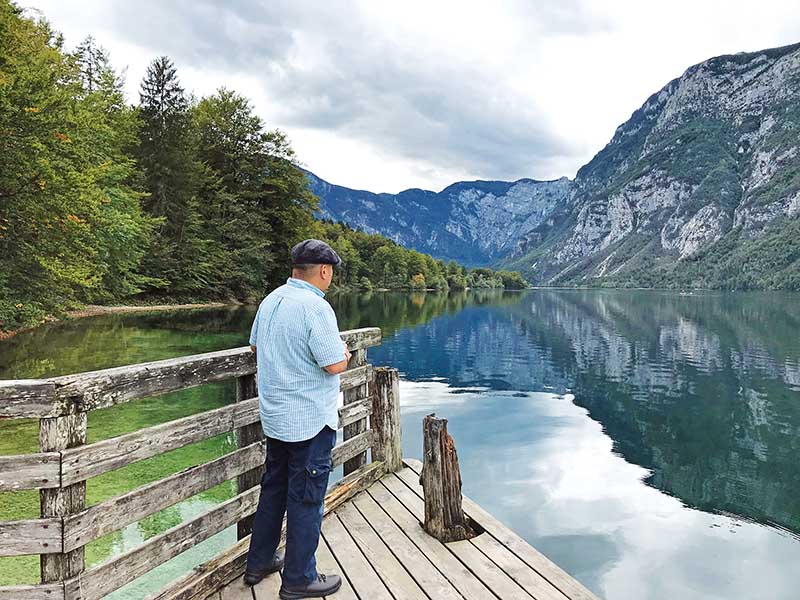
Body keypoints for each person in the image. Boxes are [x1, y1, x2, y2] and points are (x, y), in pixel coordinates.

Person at [243, 239, 349, 599]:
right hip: (309, 420)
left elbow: (256, 346)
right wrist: (345, 352)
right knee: (306, 498)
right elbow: (333, 362)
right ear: (323, 271)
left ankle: (258, 562)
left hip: (276, 417)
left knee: (273, 490)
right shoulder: (315, 308)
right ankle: (299, 579)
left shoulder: (271, 300)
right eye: (330, 273)